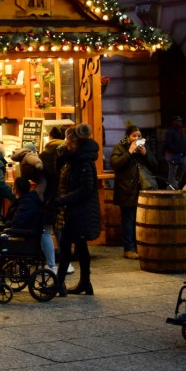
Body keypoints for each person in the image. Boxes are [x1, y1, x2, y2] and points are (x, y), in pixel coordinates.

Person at [50, 123, 101, 297]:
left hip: (81, 211)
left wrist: (63, 200)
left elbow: (86, 189)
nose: (65, 144)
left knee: (66, 246)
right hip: (75, 210)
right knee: (79, 246)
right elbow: (62, 176)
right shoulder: (75, 158)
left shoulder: (84, 161)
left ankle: (60, 284)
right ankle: (85, 283)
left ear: (75, 143)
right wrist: (60, 158)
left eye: (67, 141)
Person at [110, 125, 157, 260]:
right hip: (126, 189)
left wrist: (146, 154)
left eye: (138, 136)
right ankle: (129, 248)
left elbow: (155, 166)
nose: (136, 138)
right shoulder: (120, 148)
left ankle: (140, 246)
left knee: (141, 219)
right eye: (134, 136)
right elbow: (115, 164)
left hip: (142, 189)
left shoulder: (144, 148)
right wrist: (129, 152)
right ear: (128, 137)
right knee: (128, 219)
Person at [38, 126, 66, 274]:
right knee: (61, 229)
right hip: (65, 195)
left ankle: (51, 265)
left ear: (49, 137)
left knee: (46, 230)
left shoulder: (44, 154)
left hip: (49, 196)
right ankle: (66, 264)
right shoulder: (68, 152)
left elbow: (37, 174)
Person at [164, 115, 186, 187]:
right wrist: (176, 150)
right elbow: (168, 144)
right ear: (174, 122)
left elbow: (183, 142)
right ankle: (171, 185)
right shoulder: (171, 131)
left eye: (180, 121)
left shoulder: (181, 131)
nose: (180, 123)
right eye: (178, 121)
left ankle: (179, 182)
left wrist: (184, 151)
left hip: (181, 154)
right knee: (173, 170)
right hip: (173, 154)